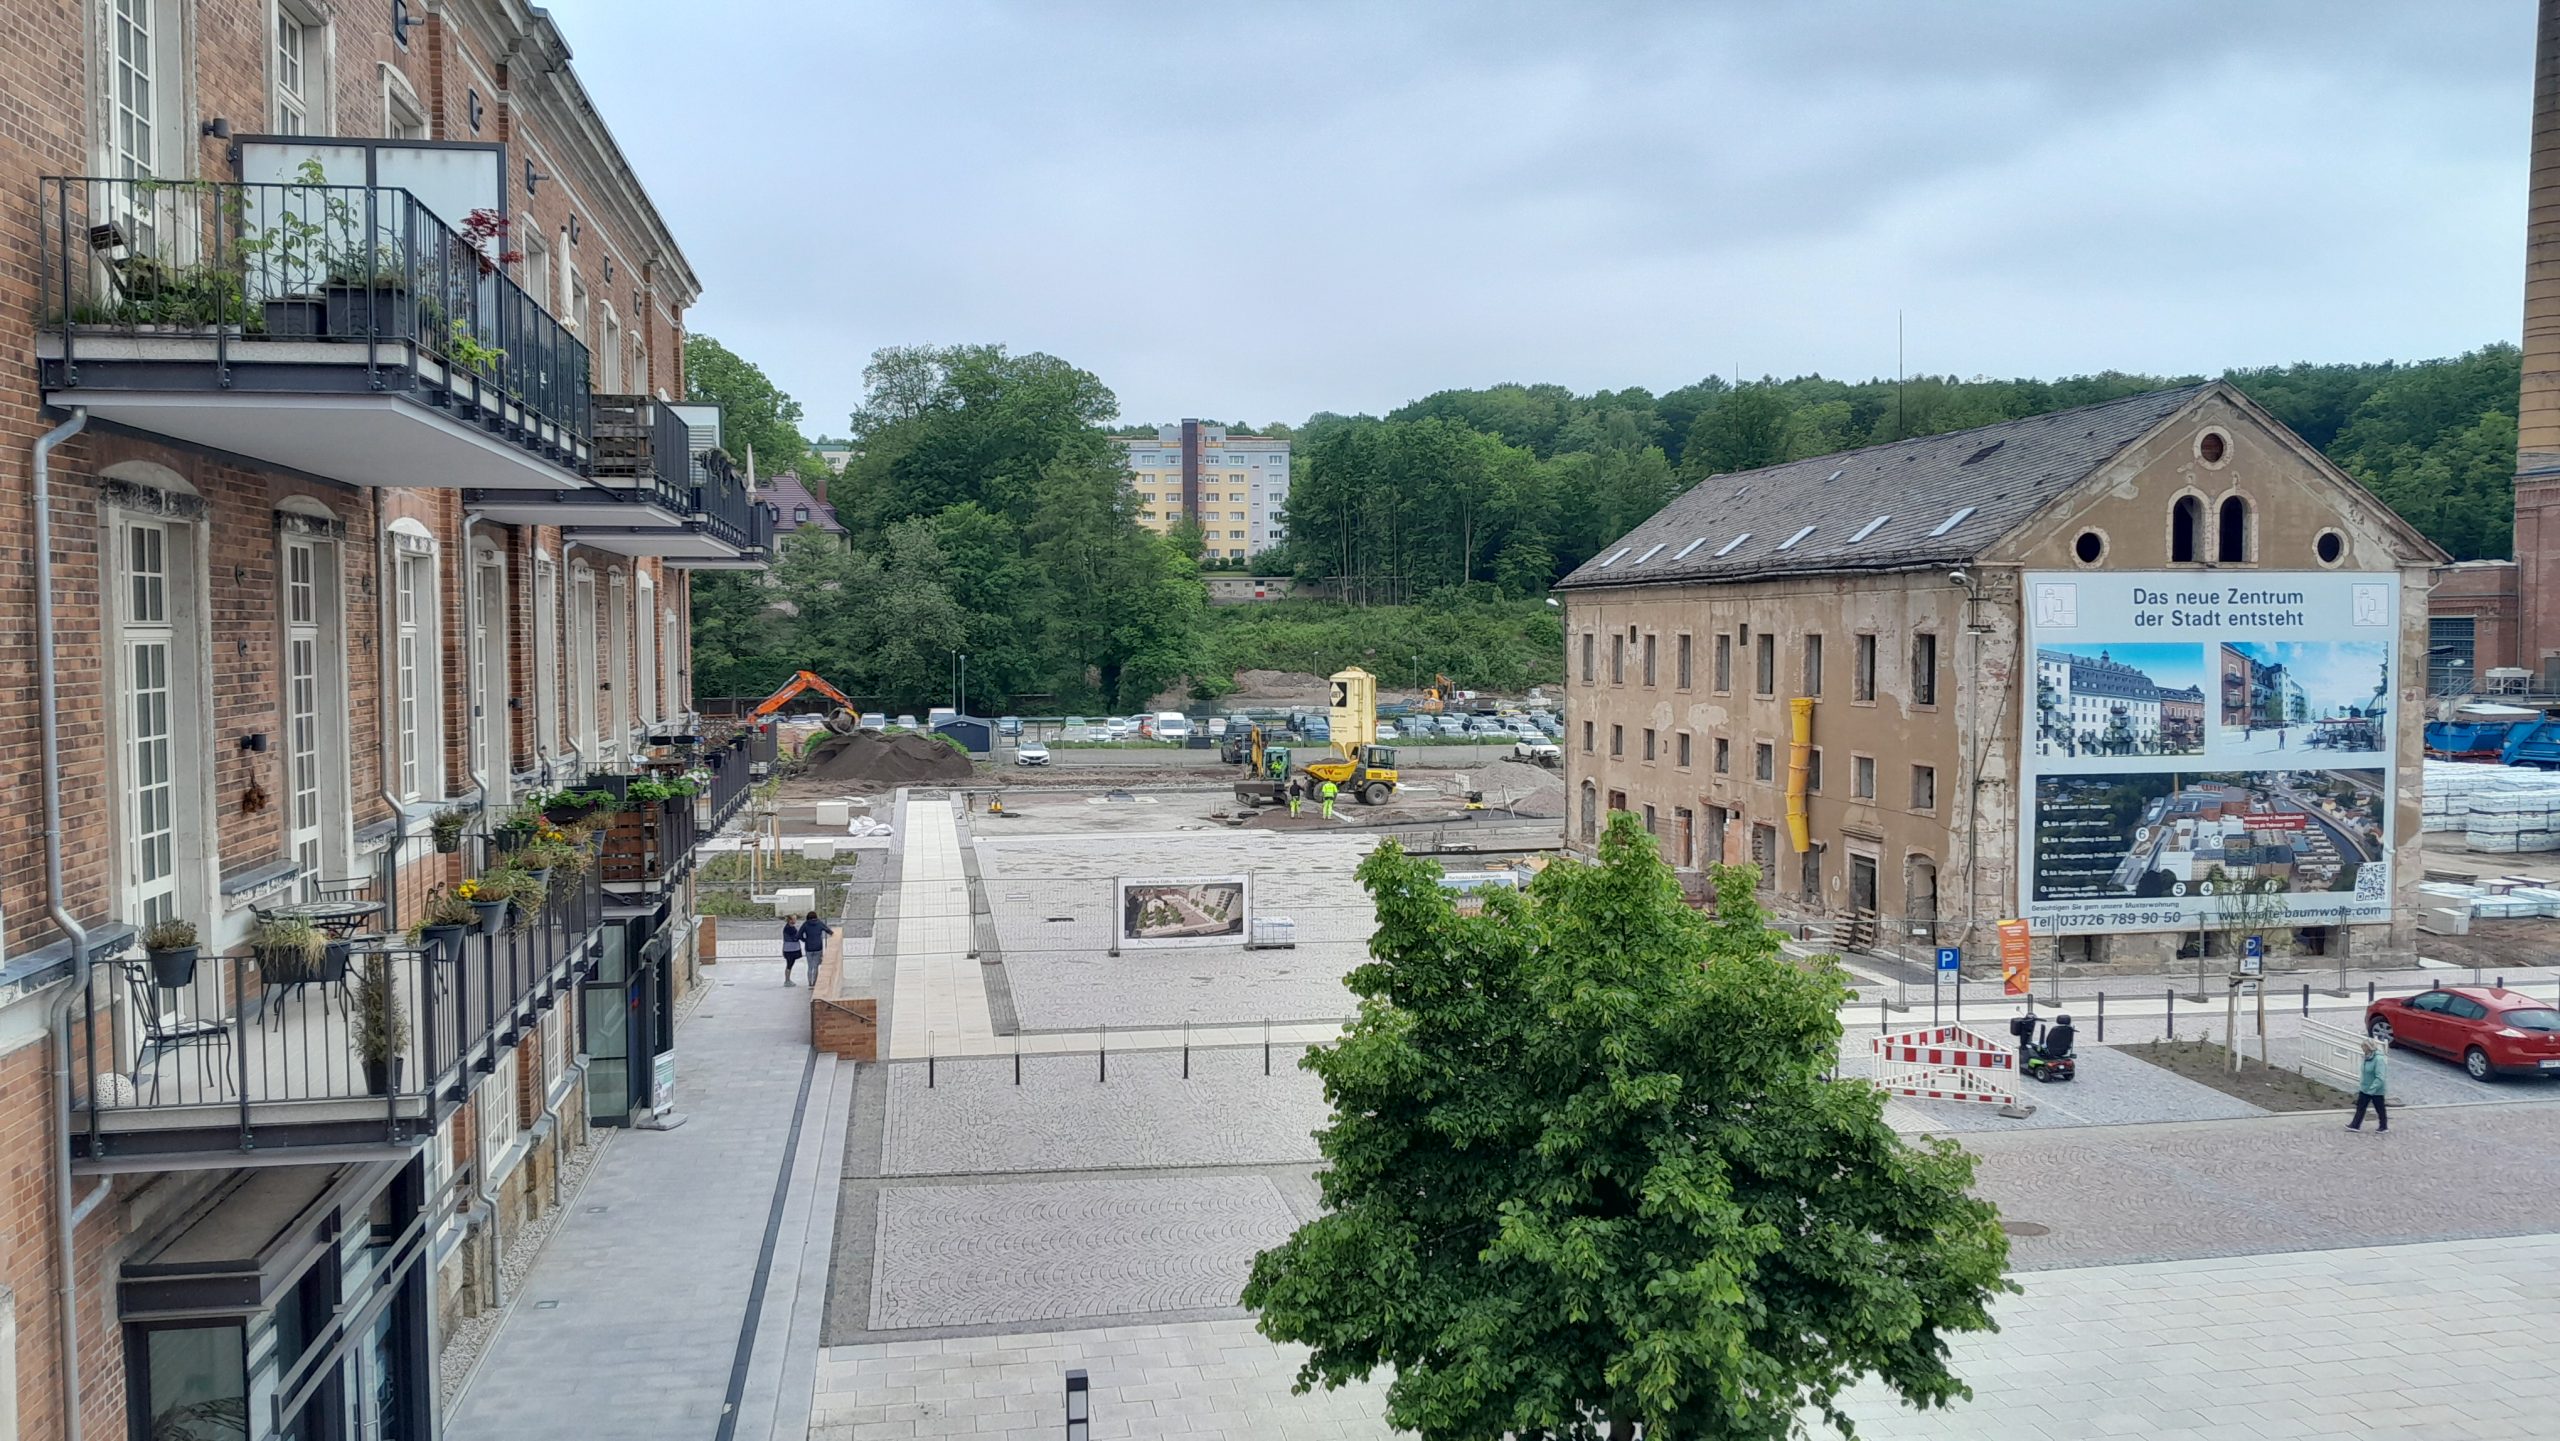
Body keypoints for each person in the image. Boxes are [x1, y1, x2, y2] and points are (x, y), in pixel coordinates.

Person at [2348, 1038, 2388, 1131]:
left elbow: (2380, 1077)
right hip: (2365, 1088)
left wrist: (2372, 1090)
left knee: (2380, 1109)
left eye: (2364, 1047)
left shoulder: (2379, 1059)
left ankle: (2383, 1126)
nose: (2362, 1049)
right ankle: (2355, 1125)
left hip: (2376, 1090)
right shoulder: (2367, 1057)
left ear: (2369, 1047)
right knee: (2360, 1107)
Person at [780, 914, 805, 984]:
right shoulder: (789, 929)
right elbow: (795, 937)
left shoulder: (791, 927)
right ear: (790, 920)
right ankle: (787, 980)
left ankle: (788, 979)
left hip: (792, 948)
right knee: (789, 964)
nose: (795, 920)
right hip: (790, 949)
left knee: (790, 964)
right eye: (794, 919)